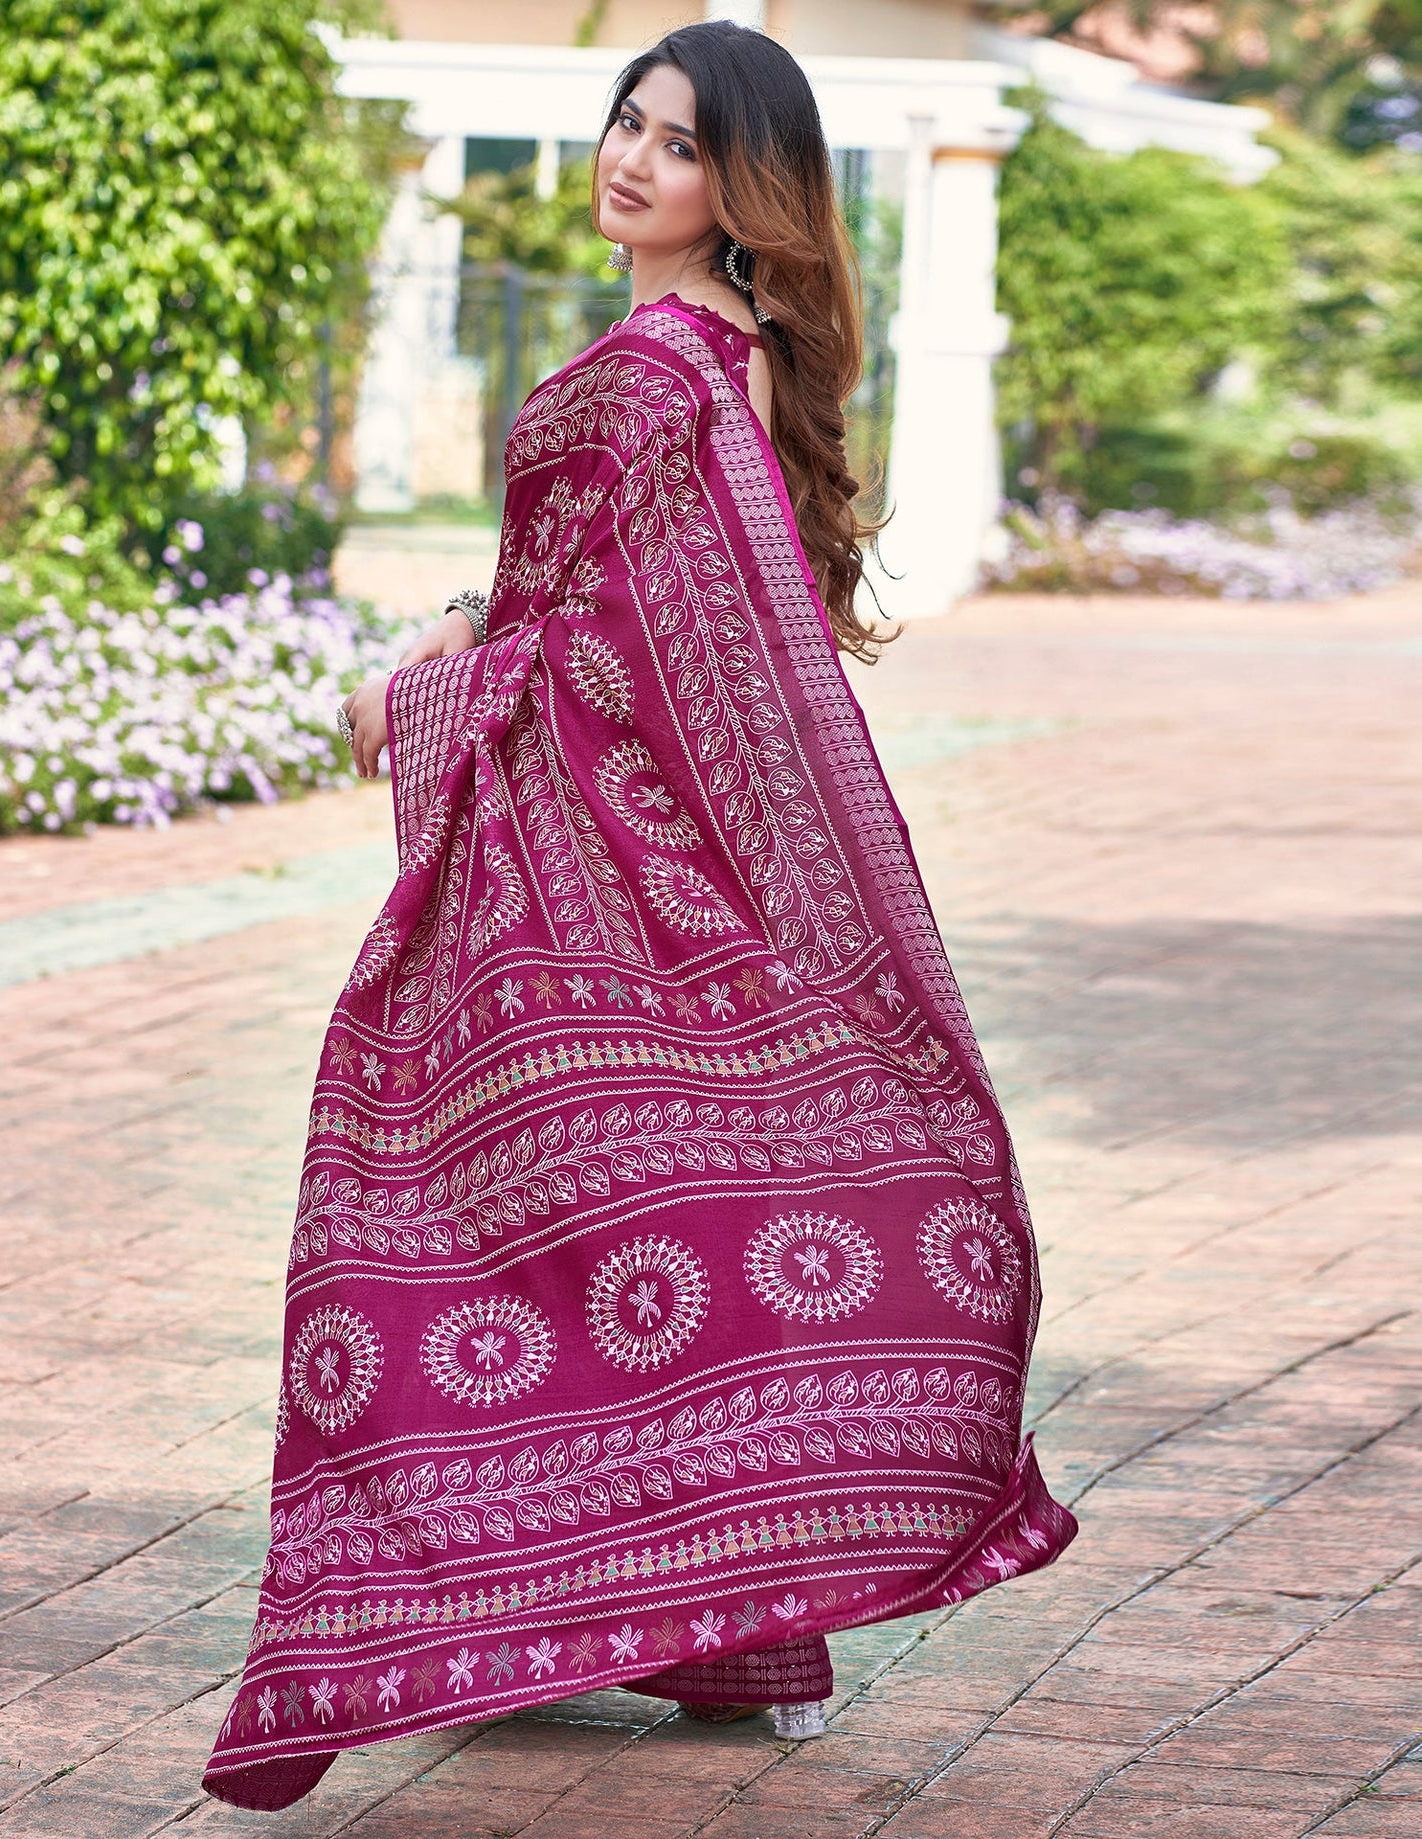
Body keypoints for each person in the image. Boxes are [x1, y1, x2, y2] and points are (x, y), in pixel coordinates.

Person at [203, 21, 1074, 1812]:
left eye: (676, 146)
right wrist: (464, 627)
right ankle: (702, 1627)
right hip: (577, 866)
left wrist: (440, 688)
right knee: (607, 1228)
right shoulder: (696, 360)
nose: (629, 160)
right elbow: (577, 593)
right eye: (627, 121)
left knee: (438, 1217)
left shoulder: (671, 369)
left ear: (736, 189)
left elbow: (639, 655)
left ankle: (481, 1598)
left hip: (570, 877)